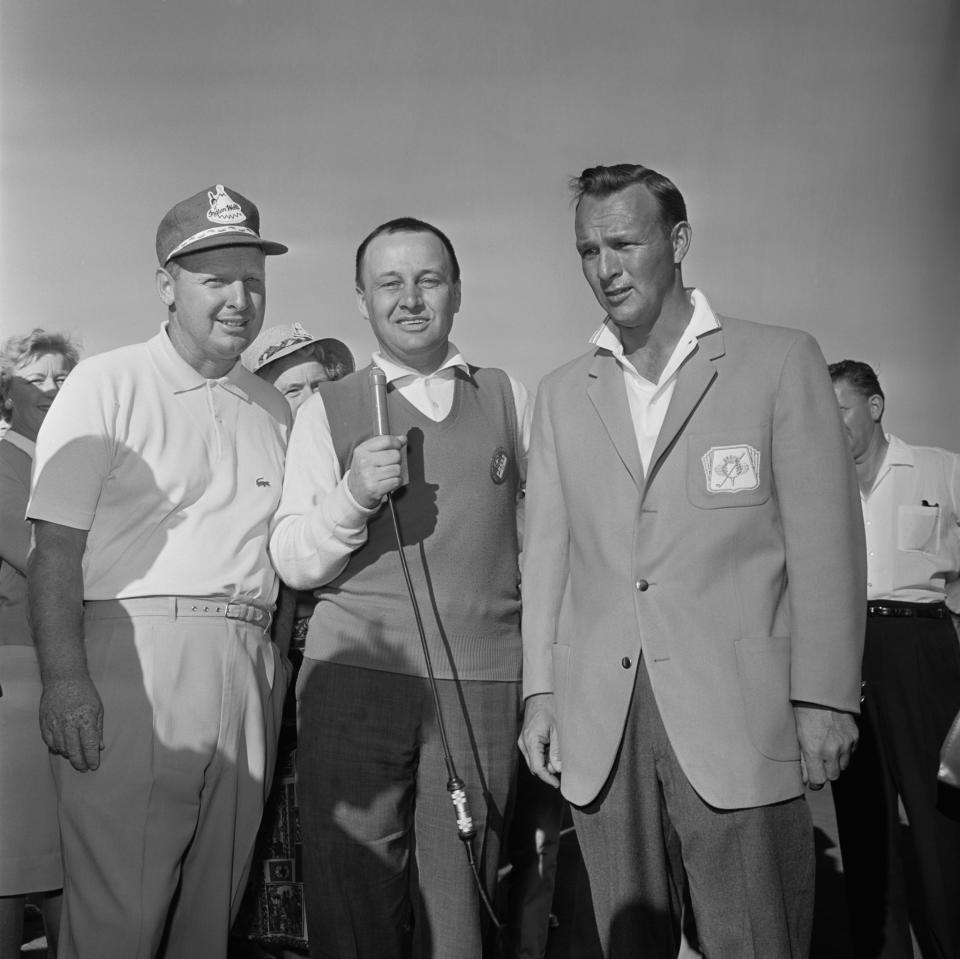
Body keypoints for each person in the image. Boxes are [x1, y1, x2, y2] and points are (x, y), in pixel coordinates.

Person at [518, 163, 866, 959]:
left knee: (757, 939)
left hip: (741, 717)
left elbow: (828, 544)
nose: (604, 269)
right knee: (626, 941)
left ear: (676, 242)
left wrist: (825, 696)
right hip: (602, 718)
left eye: (622, 243)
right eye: (586, 250)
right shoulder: (563, 391)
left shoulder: (778, 362)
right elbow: (547, 559)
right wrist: (542, 690)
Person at [26, 184, 292, 959]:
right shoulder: (106, 382)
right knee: (118, 924)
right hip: (133, 657)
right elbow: (56, 551)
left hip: (247, 661)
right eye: (215, 280)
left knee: (210, 925)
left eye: (252, 280)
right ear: (167, 285)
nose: (239, 299)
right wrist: (66, 678)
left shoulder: (274, 407)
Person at [269, 217, 531, 959]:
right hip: (353, 676)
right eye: (389, 282)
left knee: (463, 908)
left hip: (481, 677)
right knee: (351, 900)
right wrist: (352, 495)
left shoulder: (510, 397)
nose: (410, 298)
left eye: (429, 279)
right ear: (361, 299)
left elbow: (545, 545)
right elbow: (293, 558)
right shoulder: (328, 407)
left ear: (456, 290)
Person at [829, 359, 960, 959]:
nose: (831, 422)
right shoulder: (819, 488)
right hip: (847, 651)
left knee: (938, 828)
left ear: (875, 406)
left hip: (922, 650)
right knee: (863, 829)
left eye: (842, 408)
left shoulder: (940, 469)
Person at [234, 324, 355, 957]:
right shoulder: (255, 456)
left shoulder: (357, 446)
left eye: (319, 382)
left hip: (344, 646)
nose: (310, 395)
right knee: (275, 800)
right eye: (293, 386)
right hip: (273, 648)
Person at [0, 329, 79, 959]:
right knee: (15, 858)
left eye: (61, 378)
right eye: (36, 380)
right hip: (18, 672)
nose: (51, 391)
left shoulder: (65, 463)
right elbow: (42, 563)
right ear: (7, 393)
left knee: (63, 855)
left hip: (71, 667)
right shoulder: (4, 463)